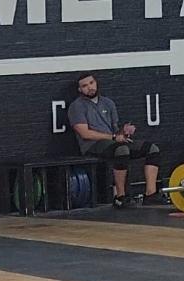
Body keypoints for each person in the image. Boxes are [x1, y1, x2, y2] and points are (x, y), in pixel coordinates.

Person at [68, 72, 168, 208]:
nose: (89, 87)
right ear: (80, 90)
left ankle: (150, 194)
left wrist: (124, 132)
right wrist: (114, 137)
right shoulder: (77, 106)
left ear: (96, 83)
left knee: (152, 149)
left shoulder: (108, 103)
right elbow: (85, 133)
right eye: (85, 86)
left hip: (112, 141)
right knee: (121, 149)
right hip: (92, 145)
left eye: (91, 83)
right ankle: (120, 196)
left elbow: (115, 131)